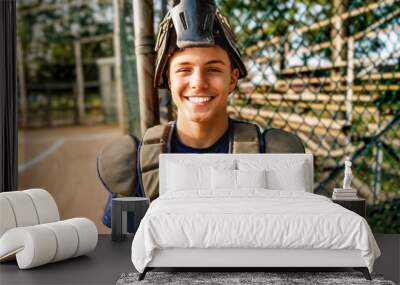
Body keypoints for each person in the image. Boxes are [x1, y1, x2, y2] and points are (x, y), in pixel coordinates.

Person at [98, 0, 305, 229]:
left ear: (233, 78)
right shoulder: (137, 164)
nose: (198, 83)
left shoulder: (270, 153)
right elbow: (123, 252)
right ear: (169, 78)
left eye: (214, 69)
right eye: (184, 70)